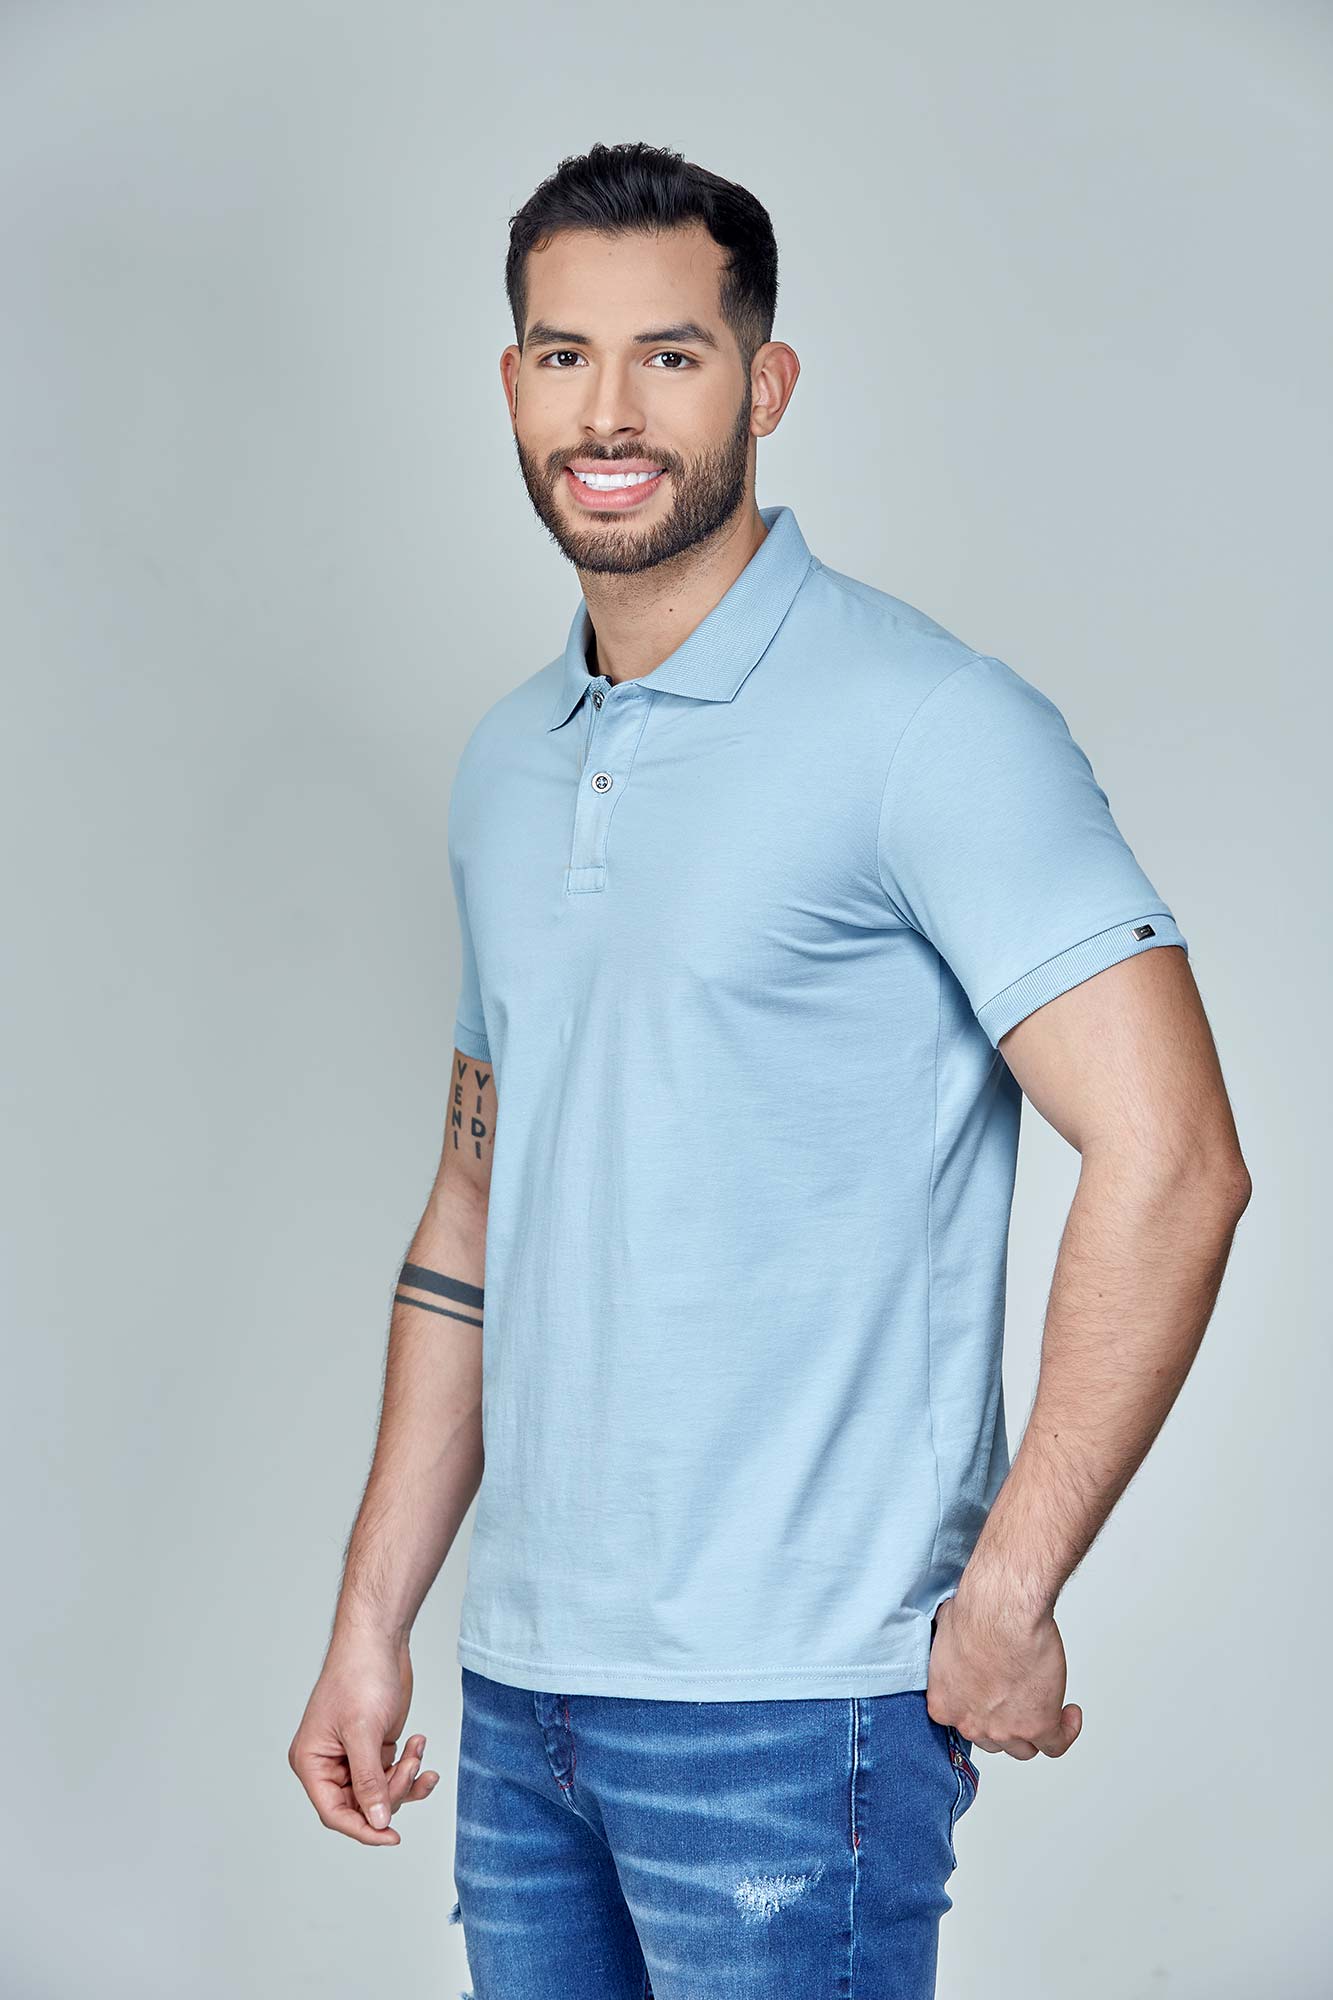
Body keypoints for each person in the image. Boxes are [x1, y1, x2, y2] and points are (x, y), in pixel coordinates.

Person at [289, 141, 1251, 1997]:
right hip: (523, 1699)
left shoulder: (927, 726)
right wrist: (371, 1616)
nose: (608, 412)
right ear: (511, 386)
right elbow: (478, 1206)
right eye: (563, 356)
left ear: (765, 382)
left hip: (800, 1712)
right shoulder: (505, 764)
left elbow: (1176, 1157)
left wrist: (1009, 1589)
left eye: (670, 354)